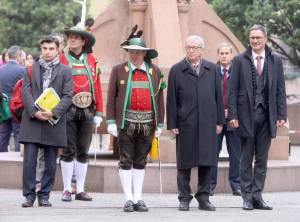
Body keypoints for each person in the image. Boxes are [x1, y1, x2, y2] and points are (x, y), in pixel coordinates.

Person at [228, 25, 287, 210]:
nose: (255, 41)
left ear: (265, 39)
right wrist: (233, 115)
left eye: (258, 38)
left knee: (262, 159)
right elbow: (232, 91)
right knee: (245, 158)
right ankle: (246, 197)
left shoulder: (275, 60)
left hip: (267, 116)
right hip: (245, 116)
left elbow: (280, 89)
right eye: (252, 37)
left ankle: (257, 196)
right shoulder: (239, 60)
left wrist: (281, 114)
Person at [106, 28, 165, 212]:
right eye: (131, 51)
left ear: (144, 53)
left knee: (141, 161)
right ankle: (128, 199)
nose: (134, 55)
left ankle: (138, 197)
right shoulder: (118, 70)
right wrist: (111, 122)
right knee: (126, 160)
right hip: (126, 123)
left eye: (138, 52)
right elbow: (111, 98)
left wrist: (160, 124)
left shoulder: (155, 71)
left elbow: (159, 98)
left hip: (148, 124)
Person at [167, 35, 225, 211]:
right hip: (186, 123)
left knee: (207, 161)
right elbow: (171, 99)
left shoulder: (213, 69)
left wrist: (219, 121)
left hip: (208, 122)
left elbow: (219, 96)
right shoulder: (177, 70)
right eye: (188, 47)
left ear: (201, 50)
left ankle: (204, 197)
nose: (191, 50)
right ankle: (184, 198)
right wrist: (172, 123)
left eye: (194, 47)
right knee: (184, 162)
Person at [19, 35, 73, 207]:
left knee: (50, 162)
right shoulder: (30, 69)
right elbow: (25, 92)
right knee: (29, 161)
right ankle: (29, 195)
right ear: (41, 49)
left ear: (57, 50)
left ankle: (44, 195)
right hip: (33, 120)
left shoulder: (65, 71)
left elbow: (68, 95)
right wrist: (35, 112)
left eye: (51, 48)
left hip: (54, 121)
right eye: (45, 48)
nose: (48, 52)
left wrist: (54, 112)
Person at [59, 16, 103, 202]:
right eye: (70, 36)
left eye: (76, 37)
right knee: (68, 150)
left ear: (84, 41)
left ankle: (80, 190)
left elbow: (97, 85)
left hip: (87, 111)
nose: (72, 39)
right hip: (67, 109)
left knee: (83, 150)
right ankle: (67, 189)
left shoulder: (92, 60)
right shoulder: (61, 58)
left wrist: (99, 111)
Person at [210, 43, 241, 196]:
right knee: (212, 153)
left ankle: (236, 185)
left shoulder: (238, 72)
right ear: (218, 55)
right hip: (216, 119)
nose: (224, 56)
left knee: (235, 153)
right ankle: (210, 185)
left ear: (231, 55)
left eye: (226, 53)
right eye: (221, 53)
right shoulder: (211, 71)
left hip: (234, 119)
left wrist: (235, 112)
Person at [0, 46, 25, 152]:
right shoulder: (22, 70)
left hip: (2, 107)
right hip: (17, 107)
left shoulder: (0, 70)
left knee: (3, 134)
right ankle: (17, 159)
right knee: (18, 132)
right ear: (18, 56)